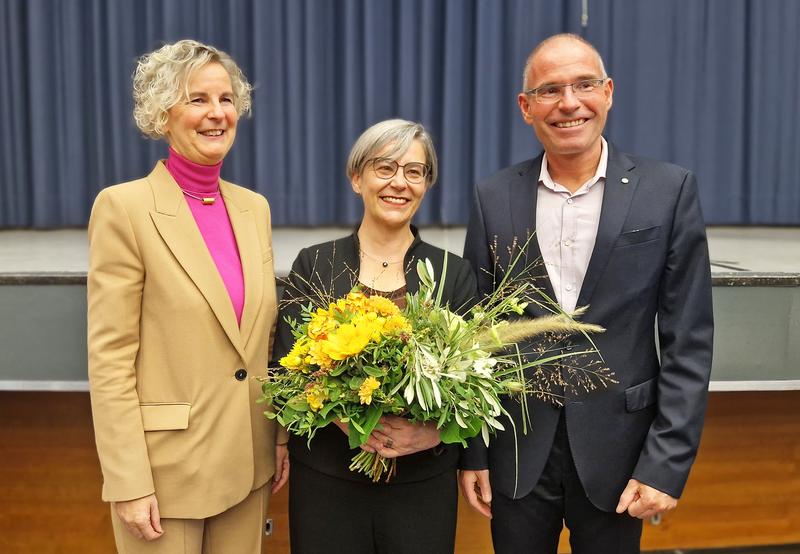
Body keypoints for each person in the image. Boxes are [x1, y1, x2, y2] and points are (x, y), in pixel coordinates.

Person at [459, 34, 714, 553]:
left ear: (609, 92)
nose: (569, 103)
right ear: (526, 107)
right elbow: (472, 335)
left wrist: (666, 464)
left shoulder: (668, 191)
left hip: (621, 457)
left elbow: (688, 341)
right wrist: (473, 454)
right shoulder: (493, 196)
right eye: (550, 90)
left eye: (584, 84)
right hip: (517, 451)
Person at [87, 39, 288, 553]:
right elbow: (110, 360)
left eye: (225, 99)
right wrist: (128, 481)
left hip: (249, 464)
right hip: (165, 476)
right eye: (197, 99)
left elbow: (260, 340)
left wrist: (279, 437)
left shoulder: (254, 209)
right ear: (163, 112)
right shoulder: (123, 209)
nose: (216, 114)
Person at [273, 119, 476, 554]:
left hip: (422, 482)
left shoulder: (453, 274)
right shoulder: (315, 264)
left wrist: (433, 434)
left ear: (426, 184)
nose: (399, 183)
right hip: (328, 478)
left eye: (414, 172)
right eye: (385, 168)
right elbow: (285, 368)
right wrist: (347, 417)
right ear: (356, 177)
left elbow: (475, 387)